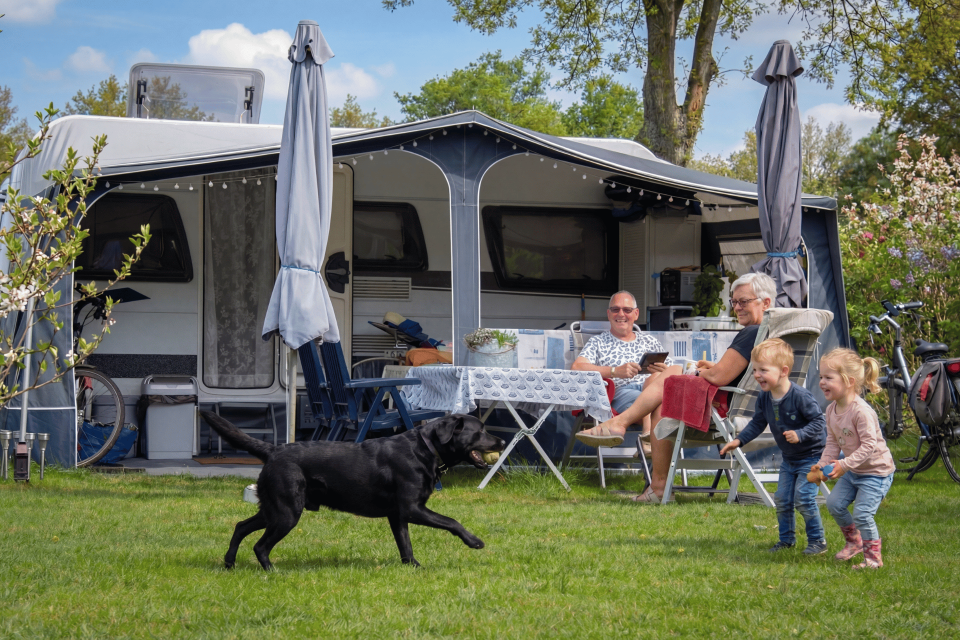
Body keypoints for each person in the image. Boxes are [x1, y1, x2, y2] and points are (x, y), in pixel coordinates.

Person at [576, 272, 778, 503]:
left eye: (744, 301)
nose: (737, 307)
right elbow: (745, 373)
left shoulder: (751, 332)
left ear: (766, 303)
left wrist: (700, 372)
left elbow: (720, 377)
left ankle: (623, 428)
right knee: (666, 390)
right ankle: (656, 481)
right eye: (734, 302)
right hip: (749, 407)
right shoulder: (773, 335)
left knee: (672, 375)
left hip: (722, 408)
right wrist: (714, 367)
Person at [719, 338, 827, 555]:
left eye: (763, 370)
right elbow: (759, 422)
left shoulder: (800, 396)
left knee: (803, 498)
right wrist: (739, 441)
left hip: (812, 457)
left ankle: (817, 541)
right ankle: (786, 541)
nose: (757, 375)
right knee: (783, 499)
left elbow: (819, 422)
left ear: (783, 371)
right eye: (755, 369)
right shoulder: (765, 397)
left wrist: (800, 434)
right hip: (789, 458)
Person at [813, 348, 895, 569]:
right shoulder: (831, 410)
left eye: (828, 377)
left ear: (849, 381)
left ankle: (873, 560)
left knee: (862, 514)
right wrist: (823, 463)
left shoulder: (861, 412)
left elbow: (869, 446)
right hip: (854, 470)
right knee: (834, 504)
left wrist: (843, 464)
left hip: (876, 472)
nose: (822, 382)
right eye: (821, 377)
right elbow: (832, 442)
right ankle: (855, 542)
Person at [570, 291, 671, 445]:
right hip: (621, 393)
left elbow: (673, 371)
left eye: (627, 310)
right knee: (658, 402)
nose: (621, 314)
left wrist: (663, 370)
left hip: (651, 390)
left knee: (658, 380)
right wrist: (615, 371)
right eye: (615, 309)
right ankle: (649, 441)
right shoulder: (599, 342)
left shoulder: (649, 341)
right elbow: (577, 367)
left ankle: (647, 436)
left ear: (636, 314)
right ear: (609, 314)